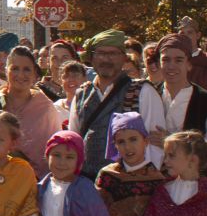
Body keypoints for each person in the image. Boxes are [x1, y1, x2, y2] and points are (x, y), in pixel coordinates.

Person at [69, 30, 165, 179]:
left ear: (123, 58)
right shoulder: (81, 94)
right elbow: (73, 142)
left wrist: (142, 184)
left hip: (129, 186)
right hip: (87, 184)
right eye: (100, 53)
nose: (106, 59)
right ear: (91, 58)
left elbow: (154, 145)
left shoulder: (143, 91)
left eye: (113, 53)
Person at [156, 33, 207, 158]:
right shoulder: (150, 95)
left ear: (189, 65)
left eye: (179, 60)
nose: (171, 66)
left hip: (191, 176)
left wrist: (174, 143)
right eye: (165, 60)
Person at [1, 47, 66, 179]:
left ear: (35, 74)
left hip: (37, 183)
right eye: (15, 68)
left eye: (26, 69)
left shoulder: (45, 108)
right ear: (6, 70)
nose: (20, 74)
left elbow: (55, 150)